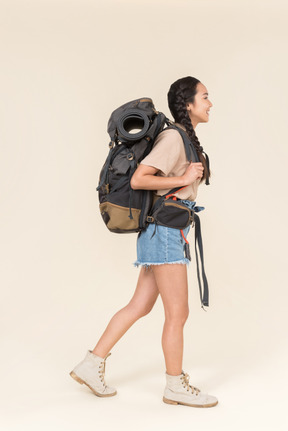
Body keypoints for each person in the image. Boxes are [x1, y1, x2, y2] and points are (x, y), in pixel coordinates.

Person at [69, 76, 218, 408]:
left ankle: (91, 364)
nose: (210, 103)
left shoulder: (184, 139)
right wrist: (185, 177)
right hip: (164, 232)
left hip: (163, 231)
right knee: (178, 313)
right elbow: (141, 178)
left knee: (141, 305)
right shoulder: (174, 138)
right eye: (205, 97)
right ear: (189, 104)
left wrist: (187, 178)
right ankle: (175, 386)